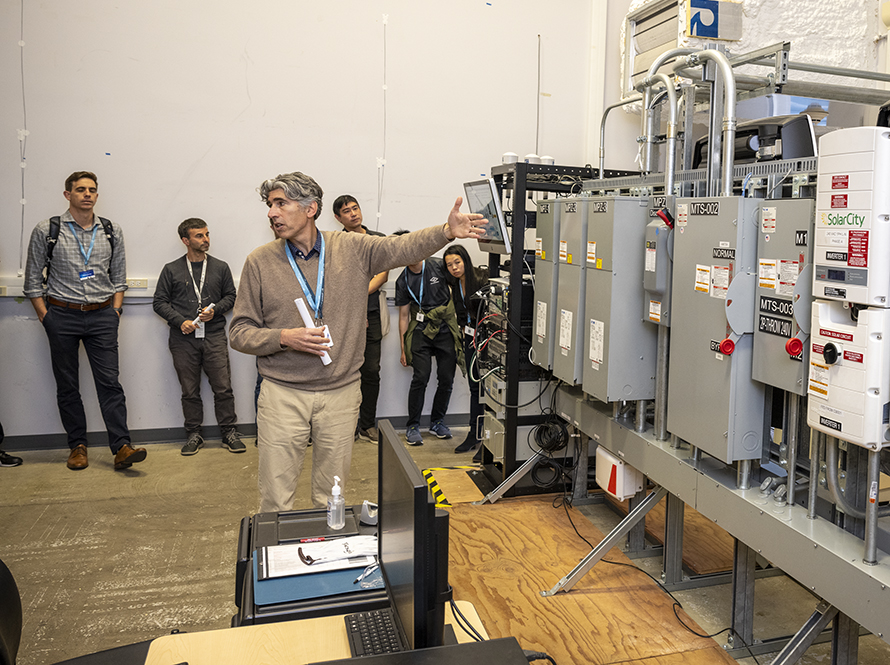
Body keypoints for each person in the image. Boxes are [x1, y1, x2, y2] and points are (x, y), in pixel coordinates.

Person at [229, 171, 483, 512]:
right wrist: (283, 338)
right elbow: (239, 332)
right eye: (270, 205)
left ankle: (325, 557)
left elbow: (400, 247)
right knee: (276, 498)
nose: (272, 213)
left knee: (330, 497)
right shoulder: (259, 262)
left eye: (281, 203)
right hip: (282, 395)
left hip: (341, 393)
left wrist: (446, 232)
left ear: (310, 208)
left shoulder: (351, 248)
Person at [23, 171, 146, 471]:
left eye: (92, 190)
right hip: (61, 315)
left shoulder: (110, 230)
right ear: (68, 195)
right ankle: (77, 447)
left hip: (103, 315)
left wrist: (115, 312)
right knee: (68, 386)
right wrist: (46, 317)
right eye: (80, 190)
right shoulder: (47, 229)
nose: (87, 194)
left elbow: (119, 278)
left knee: (110, 384)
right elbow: (31, 281)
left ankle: (122, 447)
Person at [153, 218, 244, 456]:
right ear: (186, 240)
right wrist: (179, 320)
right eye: (199, 236)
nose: (206, 240)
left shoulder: (220, 267)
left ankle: (229, 432)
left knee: (223, 388)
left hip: (214, 335)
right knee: (189, 390)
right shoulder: (171, 269)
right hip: (183, 340)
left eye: (207, 234)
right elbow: (159, 302)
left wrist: (216, 311)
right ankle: (194, 434)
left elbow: (231, 296)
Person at [395, 240, 464, 446]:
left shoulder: (437, 265)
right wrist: (403, 348)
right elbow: (404, 316)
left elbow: (458, 285)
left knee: (446, 378)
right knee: (420, 377)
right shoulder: (403, 280)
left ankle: (437, 422)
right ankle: (413, 425)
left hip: (445, 329)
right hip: (421, 330)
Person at [333, 195, 389, 443]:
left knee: (371, 371)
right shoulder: (335, 243)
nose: (353, 213)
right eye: (347, 211)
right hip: (343, 316)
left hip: (371, 315)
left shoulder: (377, 239)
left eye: (355, 208)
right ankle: (346, 426)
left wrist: (357, 294)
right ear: (338, 218)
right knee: (343, 370)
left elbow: (383, 275)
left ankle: (367, 425)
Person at [444, 244, 489, 454]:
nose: (454, 267)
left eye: (457, 262)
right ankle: (474, 435)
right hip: (470, 339)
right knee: (474, 388)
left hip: (488, 339)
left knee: (489, 390)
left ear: (465, 260)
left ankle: (487, 439)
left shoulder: (481, 278)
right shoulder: (454, 283)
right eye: (450, 265)